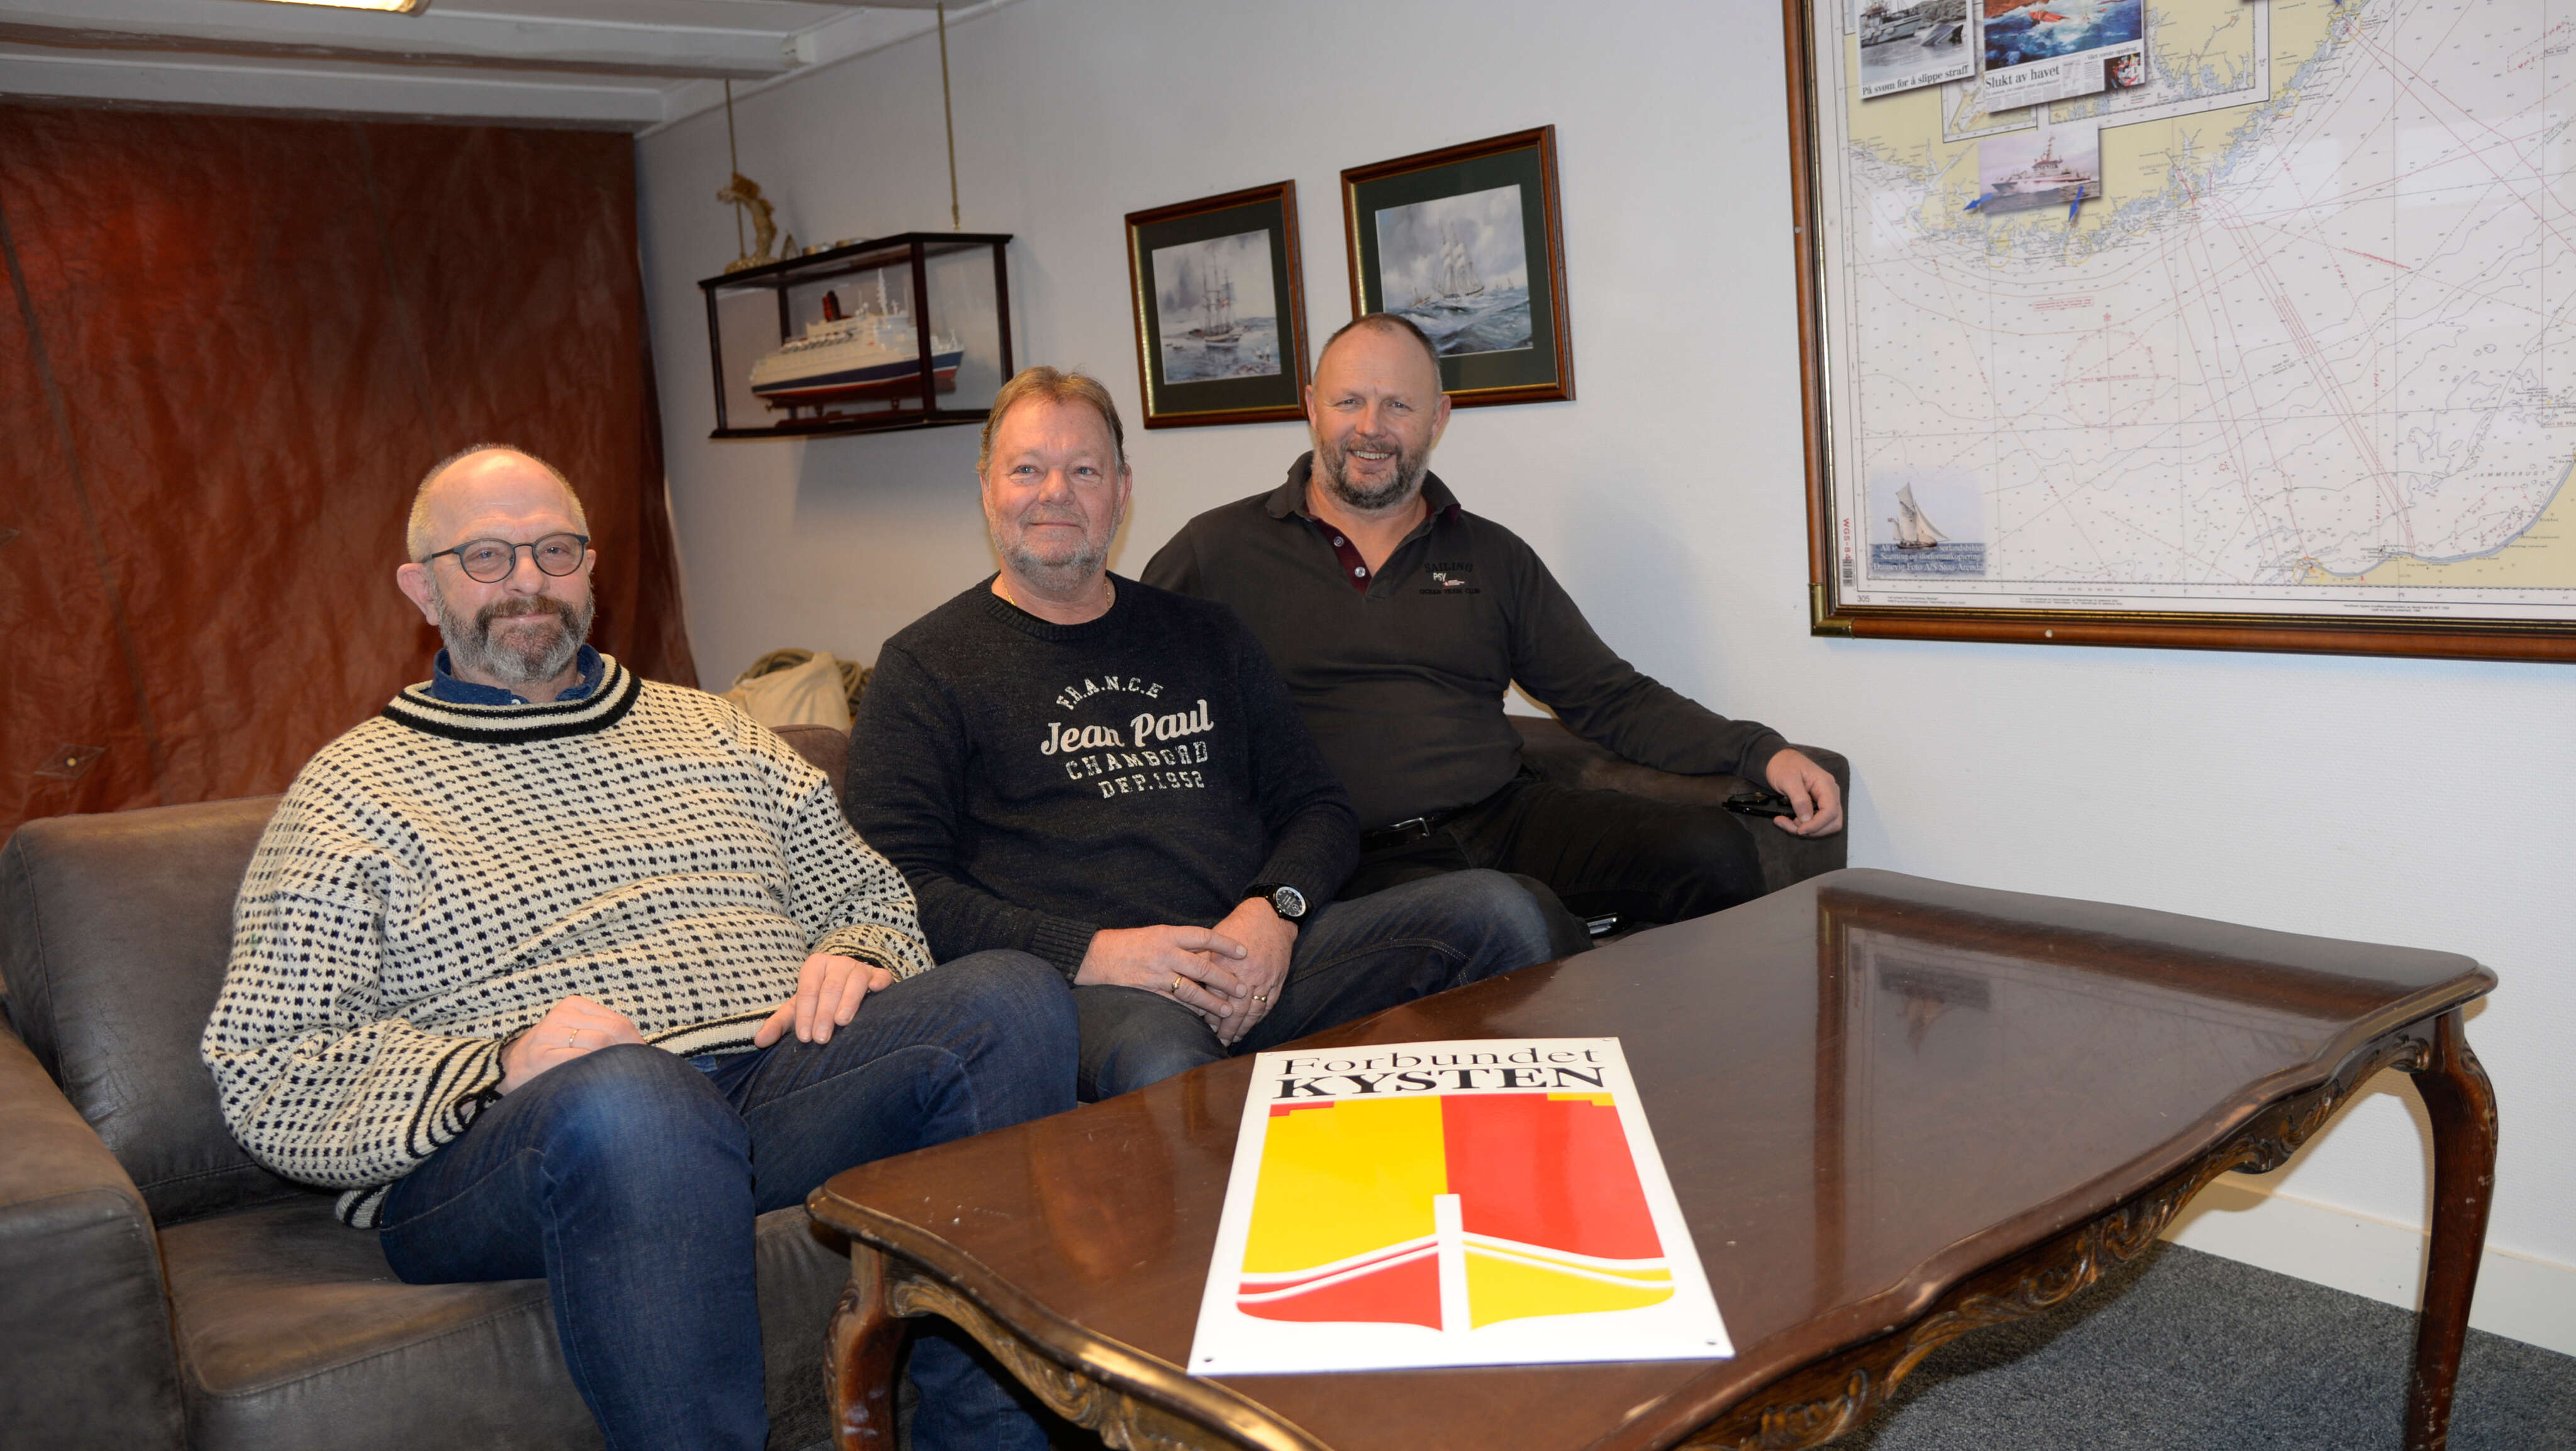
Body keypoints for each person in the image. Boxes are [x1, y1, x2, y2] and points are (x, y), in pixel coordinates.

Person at [200, 445, 1074, 1451]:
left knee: (1011, 997)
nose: (528, 580)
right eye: (486, 556)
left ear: (591, 568)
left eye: (555, 549)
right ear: (422, 587)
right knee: (635, 1096)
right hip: (512, 1142)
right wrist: (499, 1060)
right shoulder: (352, 791)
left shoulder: (716, 731)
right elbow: (267, 1068)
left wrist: (860, 951)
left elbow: (869, 893)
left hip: (762, 1084)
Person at [843, 368, 1555, 1101]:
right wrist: (1097, 953)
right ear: (987, 486)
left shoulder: (1207, 634)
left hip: (1255, 957)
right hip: (1091, 988)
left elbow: (1317, 807)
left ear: (1122, 489)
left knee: (1499, 915)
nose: (1056, 492)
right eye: (1027, 469)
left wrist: (1274, 910)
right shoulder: (925, 665)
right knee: (1166, 1065)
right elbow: (890, 890)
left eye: (1084, 470)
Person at [1143, 314, 1844, 951]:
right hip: (1338, 858)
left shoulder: (1492, 555)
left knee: (1712, 849)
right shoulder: (1217, 551)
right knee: (1509, 920)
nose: (1371, 427)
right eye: (1348, 401)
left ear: (1439, 417)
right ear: (1311, 407)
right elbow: (1130, 700)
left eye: (1398, 405)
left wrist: (1761, 752)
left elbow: (1609, 696)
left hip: (1501, 818)